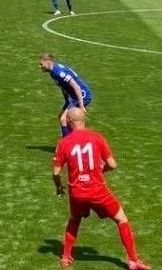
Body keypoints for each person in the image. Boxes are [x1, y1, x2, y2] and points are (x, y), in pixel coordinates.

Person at [50, 108, 149, 270]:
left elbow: (56, 173)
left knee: (74, 220)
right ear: (84, 119)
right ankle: (132, 261)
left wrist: (59, 186)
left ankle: (66, 257)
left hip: (77, 193)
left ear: (69, 121)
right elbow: (112, 165)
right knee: (122, 219)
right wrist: (101, 171)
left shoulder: (64, 142)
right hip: (98, 191)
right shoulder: (96, 138)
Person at [40, 53, 92, 136]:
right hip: (73, 97)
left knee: (63, 119)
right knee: (63, 117)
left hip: (82, 95)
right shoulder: (53, 72)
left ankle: (68, 143)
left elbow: (76, 87)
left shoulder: (59, 73)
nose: (40, 66)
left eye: (41, 64)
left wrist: (81, 106)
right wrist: (67, 101)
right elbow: (63, 87)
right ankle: (72, 140)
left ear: (48, 62)